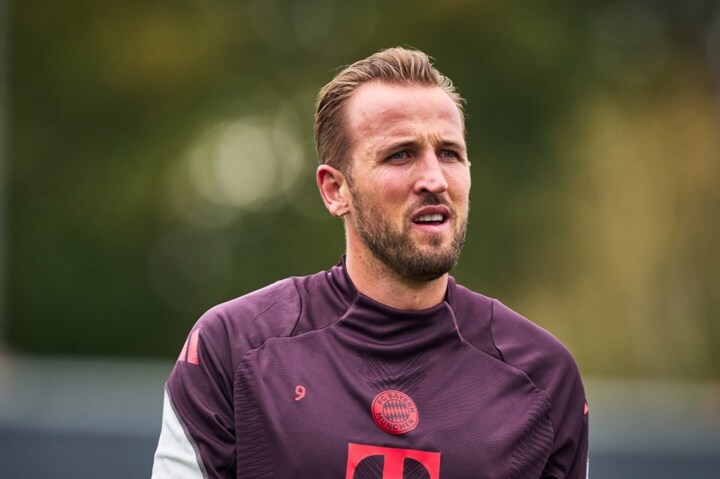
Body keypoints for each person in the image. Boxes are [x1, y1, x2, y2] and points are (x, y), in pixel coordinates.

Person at [151, 47, 589, 479]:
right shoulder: (233, 347)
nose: (434, 179)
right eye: (400, 154)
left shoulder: (543, 377)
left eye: (449, 153)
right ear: (335, 190)